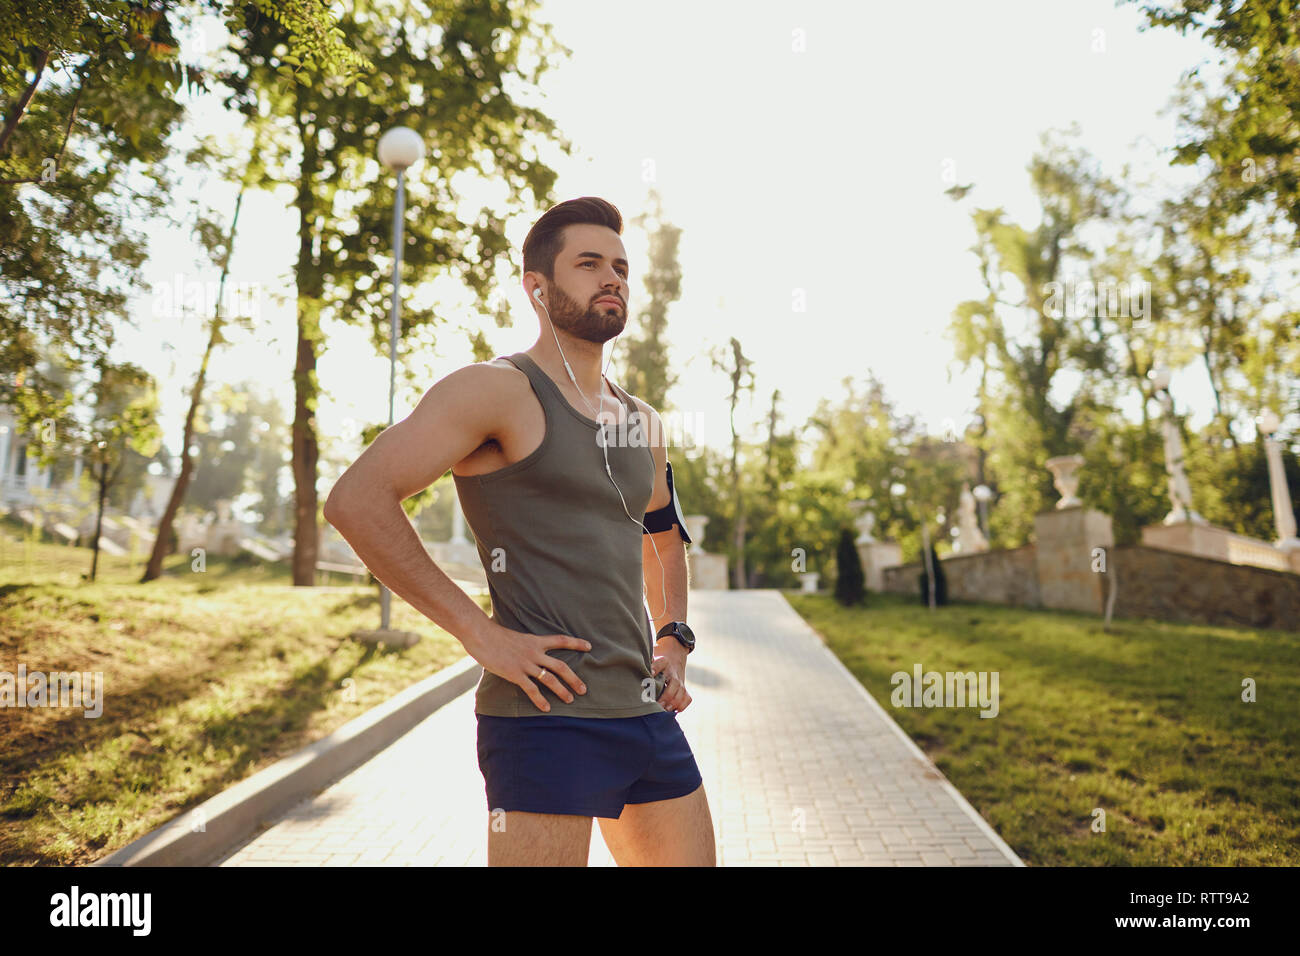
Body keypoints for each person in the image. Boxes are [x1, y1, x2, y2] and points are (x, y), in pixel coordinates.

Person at [324, 196, 715, 866]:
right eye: (588, 263)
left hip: (646, 713)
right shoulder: (495, 391)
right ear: (537, 286)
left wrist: (674, 636)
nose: (612, 278)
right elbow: (356, 500)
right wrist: (480, 635)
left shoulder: (640, 420)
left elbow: (661, 535)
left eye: (620, 266)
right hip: (545, 718)